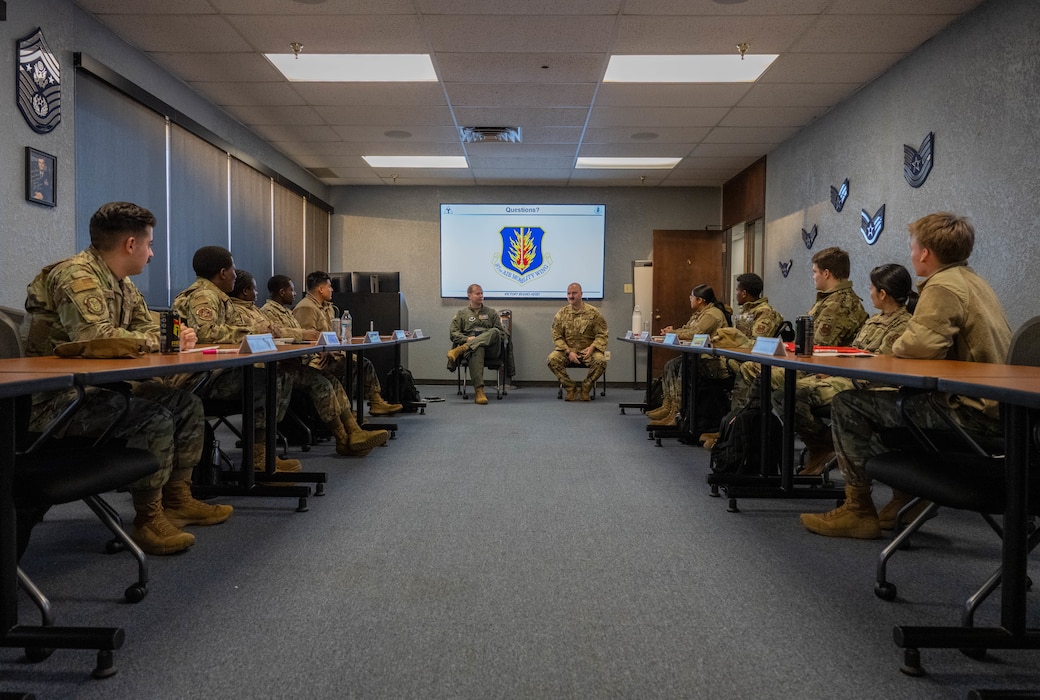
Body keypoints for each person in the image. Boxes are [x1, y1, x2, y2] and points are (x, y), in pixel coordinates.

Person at [23, 201, 232, 556]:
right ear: (130, 245)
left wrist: (179, 334)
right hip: (54, 400)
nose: (152, 255)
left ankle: (178, 500)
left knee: (185, 403)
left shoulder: (121, 283)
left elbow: (146, 325)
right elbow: (98, 337)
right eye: (149, 245)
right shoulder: (78, 276)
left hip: (94, 389)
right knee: (154, 417)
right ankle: (147, 519)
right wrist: (165, 340)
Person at [800, 212, 1011, 539]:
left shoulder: (943, 285)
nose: (911, 254)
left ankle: (858, 510)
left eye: (912, 247)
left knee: (849, 405)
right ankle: (905, 493)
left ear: (924, 252)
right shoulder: (973, 281)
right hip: (997, 404)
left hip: (971, 410)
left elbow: (917, 346)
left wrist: (897, 344)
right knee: (890, 404)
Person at [770, 263, 915, 475]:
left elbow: (880, 364)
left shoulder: (903, 324)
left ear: (883, 294)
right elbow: (852, 351)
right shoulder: (875, 320)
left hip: (865, 383)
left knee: (795, 395)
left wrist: (838, 370)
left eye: (872, 288)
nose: (870, 292)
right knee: (782, 394)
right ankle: (822, 444)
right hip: (847, 375)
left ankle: (825, 445)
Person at [172, 245, 302, 477]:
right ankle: (258, 458)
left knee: (274, 372)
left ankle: (261, 454)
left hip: (212, 372)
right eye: (233, 269)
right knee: (263, 378)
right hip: (195, 378)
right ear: (223, 272)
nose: (235, 274)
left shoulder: (217, 296)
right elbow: (206, 333)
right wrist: (252, 333)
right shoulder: (204, 295)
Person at [230, 271, 388, 456]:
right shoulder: (254, 311)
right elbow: (275, 336)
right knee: (322, 383)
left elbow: (291, 335)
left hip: (290, 362)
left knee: (332, 379)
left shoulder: (259, 310)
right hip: (272, 367)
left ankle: (354, 431)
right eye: (254, 289)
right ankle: (342, 438)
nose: (296, 294)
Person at [732, 247, 868, 409]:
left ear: (826, 273)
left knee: (761, 376)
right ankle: (741, 425)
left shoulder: (838, 304)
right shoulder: (828, 300)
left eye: (815, 272)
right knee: (751, 368)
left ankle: (751, 428)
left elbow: (816, 347)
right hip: (808, 362)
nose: (813, 276)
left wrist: (784, 359)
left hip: (820, 368)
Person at [292, 270, 402, 417]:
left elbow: (329, 334)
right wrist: (324, 349)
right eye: (329, 287)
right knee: (351, 364)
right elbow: (307, 338)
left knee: (363, 363)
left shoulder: (327, 307)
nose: (332, 290)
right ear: (320, 289)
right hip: (316, 358)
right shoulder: (306, 307)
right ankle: (345, 412)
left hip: (330, 352)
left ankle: (375, 402)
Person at [647, 284, 732, 428]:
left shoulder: (712, 314)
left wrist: (672, 333)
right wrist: (673, 330)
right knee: (671, 365)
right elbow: (687, 329)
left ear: (700, 300)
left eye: (691, 296)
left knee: (682, 366)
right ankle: (669, 407)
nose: (689, 299)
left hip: (713, 361)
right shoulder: (700, 313)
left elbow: (695, 333)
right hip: (700, 357)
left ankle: (678, 413)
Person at [446, 283, 507, 405]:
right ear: (469, 295)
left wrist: (472, 342)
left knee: (494, 331)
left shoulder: (491, 313)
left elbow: (501, 333)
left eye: (482, 293)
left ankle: (462, 349)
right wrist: (467, 339)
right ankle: (479, 391)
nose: (481, 296)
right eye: (477, 293)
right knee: (478, 348)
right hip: (473, 350)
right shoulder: (462, 314)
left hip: (491, 350)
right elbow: (453, 333)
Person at [547, 282, 609, 401]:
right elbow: (557, 336)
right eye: (569, 293)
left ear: (581, 294)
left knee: (600, 361)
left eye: (574, 293)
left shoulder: (593, 313)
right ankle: (571, 388)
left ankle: (586, 388)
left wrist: (592, 348)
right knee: (552, 359)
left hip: (588, 351)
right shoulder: (561, 314)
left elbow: (602, 333)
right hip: (568, 351)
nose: (571, 296)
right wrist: (568, 352)